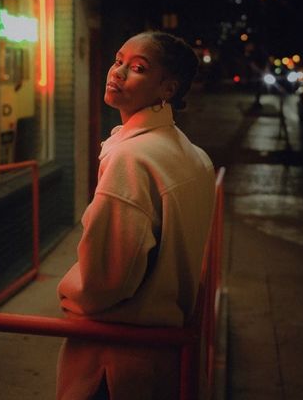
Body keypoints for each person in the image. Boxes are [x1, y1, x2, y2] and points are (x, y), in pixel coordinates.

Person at [56, 30, 216, 400]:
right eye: (118, 60)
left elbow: (106, 282)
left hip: (114, 363)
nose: (118, 72)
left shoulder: (131, 158)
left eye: (138, 67)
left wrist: (70, 296)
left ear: (168, 88)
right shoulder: (194, 155)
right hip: (164, 355)